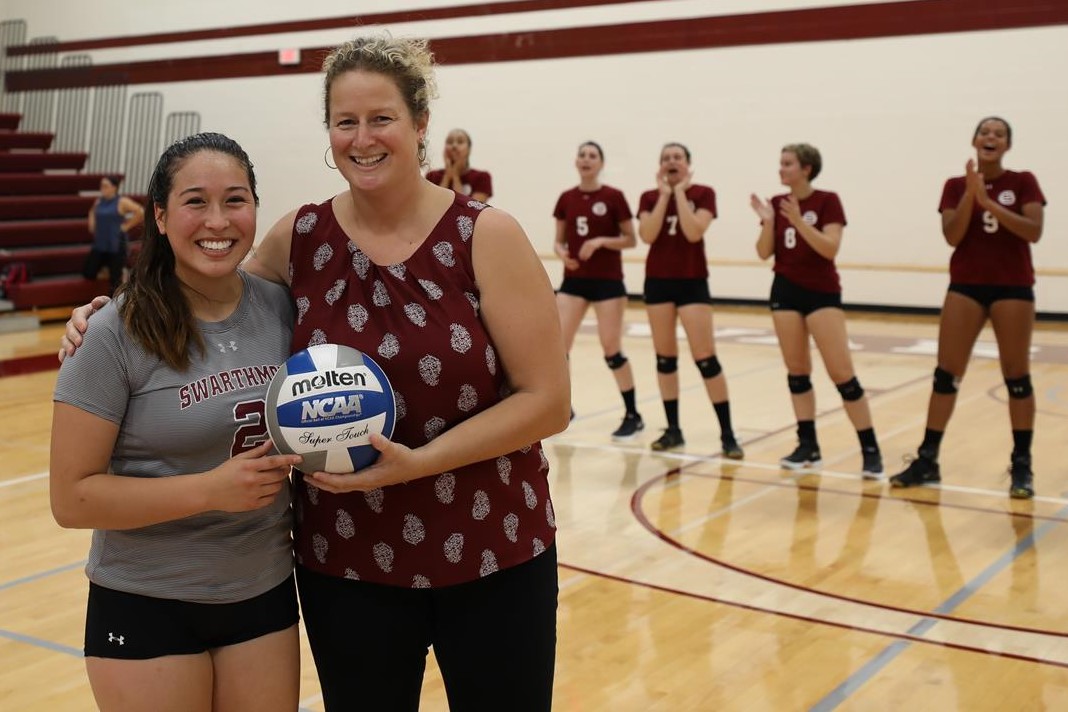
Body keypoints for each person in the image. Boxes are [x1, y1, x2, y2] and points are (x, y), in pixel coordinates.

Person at [51, 133, 303, 712]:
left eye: (235, 200)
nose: (218, 219)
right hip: (146, 599)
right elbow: (72, 499)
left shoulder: (284, 309)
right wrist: (210, 490)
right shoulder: (112, 333)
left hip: (261, 590)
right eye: (195, 201)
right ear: (160, 216)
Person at [890, 117, 1045, 498]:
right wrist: (970, 196)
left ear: (1007, 145)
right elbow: (952, 236)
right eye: (984, 132)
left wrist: (990, 202)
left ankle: (1021, 464)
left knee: (1017, 377)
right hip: (966, 286)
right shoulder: (955, 186)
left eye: (999, 134)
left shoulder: (1023, 180)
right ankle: (928, 459)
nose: (990, 137)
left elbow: (1033, 231)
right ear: (974, 140)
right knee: (946, 375)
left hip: (1012, 286)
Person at [750, 143, 883, 477]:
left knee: (842, 374)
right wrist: (769, 222)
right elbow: (764, 253)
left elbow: (829, 248)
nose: (781, 169)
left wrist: (798, 221)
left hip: (821, 292)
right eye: (780, 163)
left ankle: (870, 448)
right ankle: (807, 445)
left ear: (806, 168)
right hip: (784, 290)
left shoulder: (827, 201)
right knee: (797, 372)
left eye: (787, 164)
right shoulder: (778, 203)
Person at [637, 142, 743, 459]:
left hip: (692, 282)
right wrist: (665, 195)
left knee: (705, 357)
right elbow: (648, 234)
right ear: (659, 166)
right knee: (665, 358)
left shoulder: (703, 193)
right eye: (666, 158)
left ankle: (728, 433)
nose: (672, 162)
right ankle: (673, 431)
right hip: (658, 282)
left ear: (688, 164)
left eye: (678, 158)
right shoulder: (649, 197)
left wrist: (680, 193)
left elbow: (694, 231)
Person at [553, 140, 643, 440]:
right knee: (558, 347)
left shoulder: (613, 197)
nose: (586, 159)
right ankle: (564, 408)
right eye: (582, 155)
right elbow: (559, 240)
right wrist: (562, 253)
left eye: (592, 156)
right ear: (576, 162)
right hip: (574, 280)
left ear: (601, 164)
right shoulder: (567, 198)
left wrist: (601, 241)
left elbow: (631, 239)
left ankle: (633, 414)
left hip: (607, 282)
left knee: (611, 349)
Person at [82, 175, 144, 295]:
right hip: (100, 242)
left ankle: (120, 275)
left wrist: (125, 226)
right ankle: (108, 268)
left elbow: (140, 211)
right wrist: (92, 224)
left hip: (115, 243)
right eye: (101, 186)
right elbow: (92, 212)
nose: (102, 189)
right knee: (88, 272)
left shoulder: (121, 201)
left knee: (115, 281)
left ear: (114, 188)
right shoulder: (99, 201)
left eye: (105, 186)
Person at [425, 127, 493, 202]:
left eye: (460, 142)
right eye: (450, 142)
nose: (454, 146)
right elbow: (435, 205)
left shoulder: (482, 177)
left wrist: (455, 176)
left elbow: (471, 211)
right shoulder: (432, 176)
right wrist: (447, 176)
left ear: (469, 149)